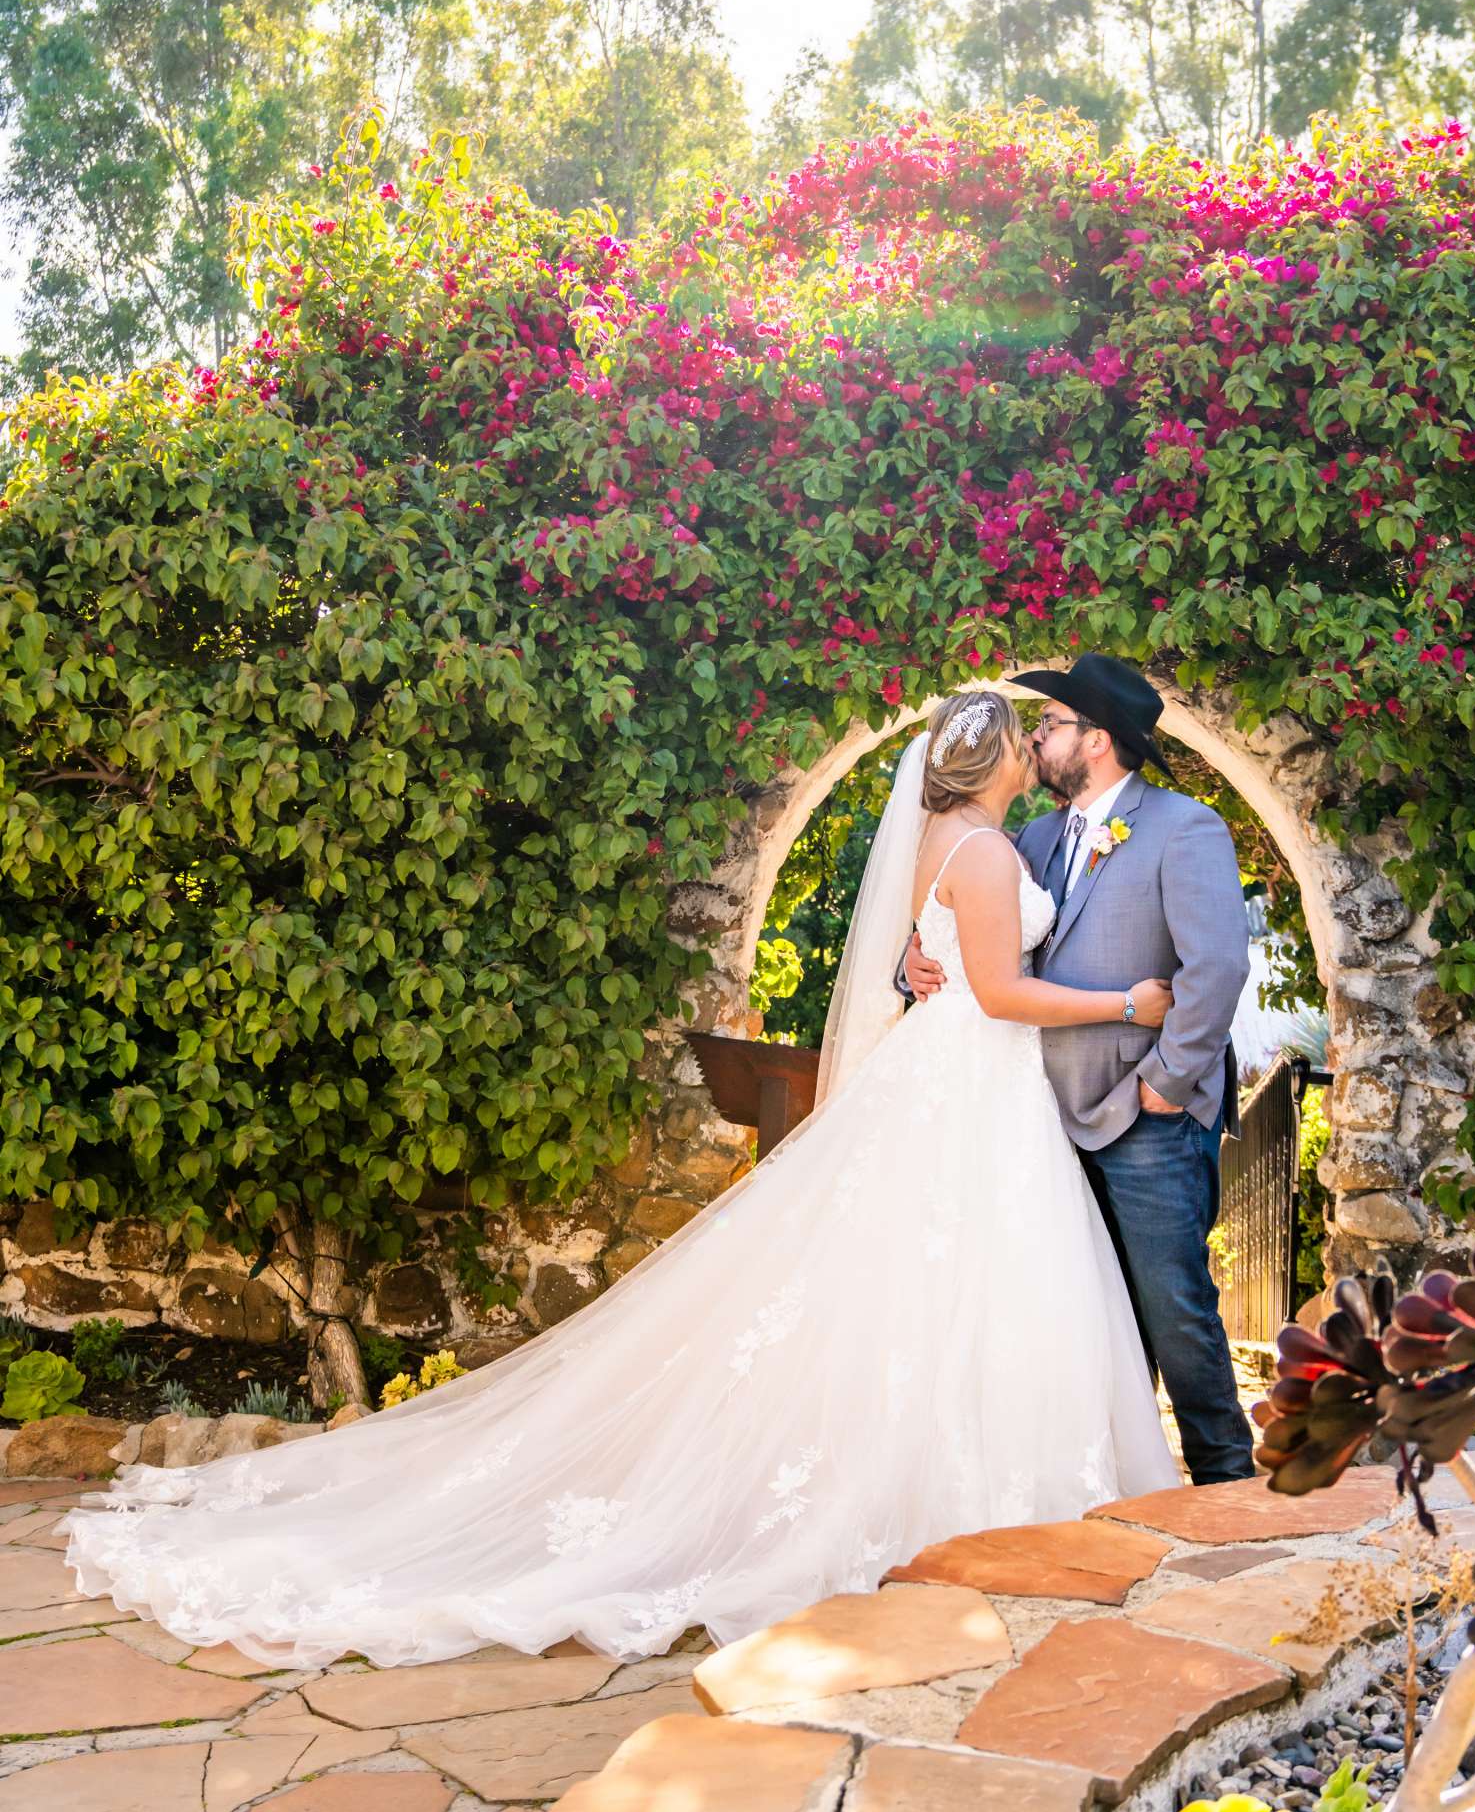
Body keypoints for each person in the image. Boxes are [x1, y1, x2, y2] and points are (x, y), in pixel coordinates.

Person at [61, 691, 1177, 1671]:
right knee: (965, 1286)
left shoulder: (949, 834)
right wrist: (1131, 1004)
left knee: (915, 1289)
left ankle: (944, 1503)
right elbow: (997, 990)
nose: (1040, 748)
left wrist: (918, 967)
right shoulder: (984, 851)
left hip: (954, 1084)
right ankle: (970, 1508)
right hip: (973, 1085)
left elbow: (927, 960)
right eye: (1026, 738)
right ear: (993, 759)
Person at [904, 655, 1256, 1484]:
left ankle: (1229, 1487)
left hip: (1145, 1119)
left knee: (1177, 1313)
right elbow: (967, 942)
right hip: (1042, 1119)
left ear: (1096, 741)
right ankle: (1121, 1482)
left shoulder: (1185, 827)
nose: (1037, 739)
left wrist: (1165, 1085)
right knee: (1088, 1320)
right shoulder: (1026, 838)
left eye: (1052, 725)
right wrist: (911, 967)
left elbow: (1217, 969)